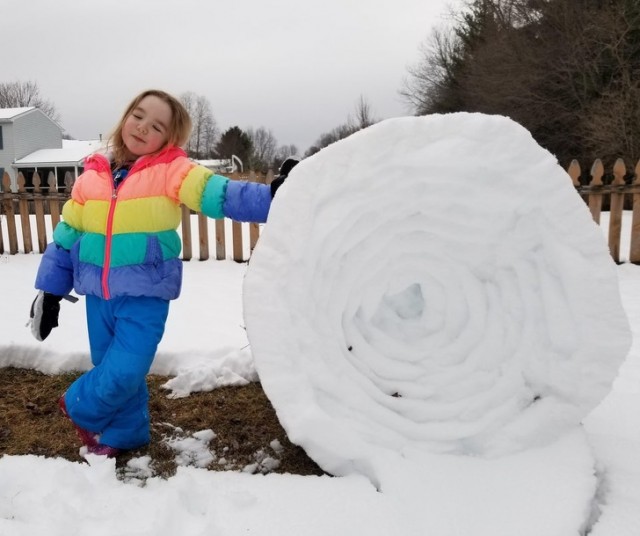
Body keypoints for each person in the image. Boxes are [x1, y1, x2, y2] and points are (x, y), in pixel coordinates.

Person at [28, 89, 298, 457]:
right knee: (112, 369)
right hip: (98, 295)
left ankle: (78, 406)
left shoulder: (172, 170)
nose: (142, 127)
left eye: (156, 125)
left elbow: (218, 194)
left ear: (168, 139)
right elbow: (66, 236)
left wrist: (274, 198)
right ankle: (125, 434)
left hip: (145, 294)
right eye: (138, 115)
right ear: (125, 116)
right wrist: (50, 290)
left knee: (123, 371)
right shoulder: (92, 174)